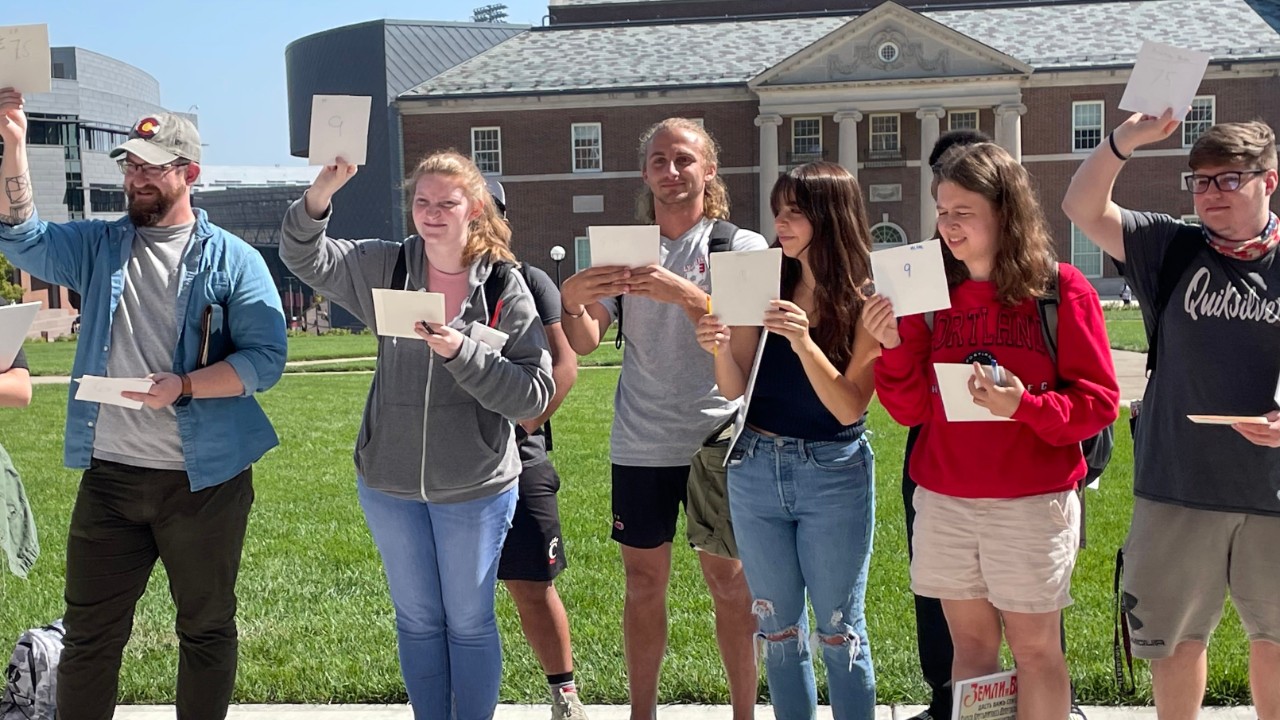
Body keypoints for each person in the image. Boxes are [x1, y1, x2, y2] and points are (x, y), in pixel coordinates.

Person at [0, 91, 288, 720]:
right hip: (110, 479)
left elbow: (266, 360)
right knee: (90, 636)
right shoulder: (101, 245)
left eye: (151, 167)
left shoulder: (234, 260)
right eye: (130, 166)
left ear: (189, 173)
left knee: (206, 629)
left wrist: (185, 386)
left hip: (204, 481)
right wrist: (15, 143)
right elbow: (22, 239)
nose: (135, 179)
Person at [279, 150, 553, 720]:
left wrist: (462, 351)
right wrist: (322, 193)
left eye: (446, 203)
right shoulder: (387, 267)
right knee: (418, 619)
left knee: (470, 620)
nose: (431, 214)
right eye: (421, 202)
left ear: (473, 208)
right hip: (391, 483)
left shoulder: (505, 285)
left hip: (475, 486)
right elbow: (301, 254)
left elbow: (533, 395)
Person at [865, 142, 1119, 719]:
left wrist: (1023, 406)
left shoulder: (1060, 289)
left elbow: (1099, 402)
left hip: (1030, 503)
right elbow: (907, 410)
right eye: (942, 211)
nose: (948, 226)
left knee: (1035, 652)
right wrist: (892, 345)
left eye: (963, 212)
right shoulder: (928, 293)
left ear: (1004, 212)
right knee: (972, 650)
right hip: (947, 498)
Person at [1062, 113, 1280, 720]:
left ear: (1270, 181)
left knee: (1278, 640)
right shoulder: (1171, 247)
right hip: (1179, 482)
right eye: (1200, 182)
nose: (1210, 193)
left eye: (1228, 179)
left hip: (1273, 489)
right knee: (1178, 640)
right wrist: (1123, 141)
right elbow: (1081, 206)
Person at [558, 117, 767, 720]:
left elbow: (750, 334)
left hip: (718, 439)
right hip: (640, 442)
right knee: (643, 586)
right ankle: (641, 713)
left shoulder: (739, 244)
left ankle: (744, 713)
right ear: (645, 172)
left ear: (709, 170)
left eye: (683, 160)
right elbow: (590, 337)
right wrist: (572, 298)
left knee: (731, 586)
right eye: (658, 161)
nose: (670, 172)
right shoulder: (625, 246)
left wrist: (688, 293)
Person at [696, 161, 880, 719]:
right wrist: (717, 347)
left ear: (831, 215)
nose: (781, 221)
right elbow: (735, 386)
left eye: (795, 210)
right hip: (755, 463)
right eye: (779, 209)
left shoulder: (867, 296)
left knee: (839, 628)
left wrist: (804, 341)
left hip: (833, 469)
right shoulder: (763, 278)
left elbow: (851, 405)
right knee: (776, 628)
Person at [487, 179, 589, 720]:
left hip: (520, 455)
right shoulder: (426, 280)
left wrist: (528, 424)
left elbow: (565, 362)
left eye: (487, 210)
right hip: (450, 462)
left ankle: (564, 694)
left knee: (531, 582)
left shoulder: (528, 279)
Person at [902, 127, 991, 720]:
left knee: (1033, 594)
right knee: (938, 587)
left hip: (1020, 445)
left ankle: (1042, 695)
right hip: (937, 443)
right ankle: (945, 698)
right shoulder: (915, 266)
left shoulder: (1031, 269)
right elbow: (901, 373)